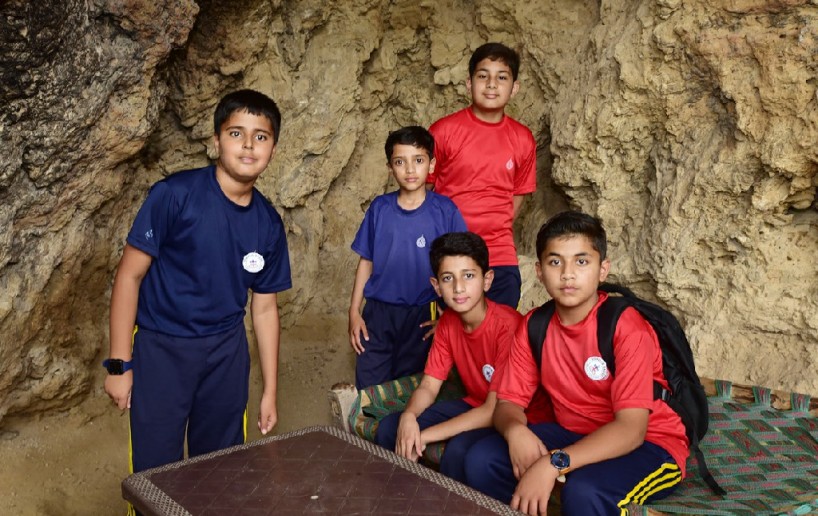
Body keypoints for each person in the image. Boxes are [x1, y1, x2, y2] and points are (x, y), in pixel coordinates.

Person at [103, 89, 292, 474]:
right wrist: (119, 365)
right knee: (156, 472)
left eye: (260, 136)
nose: (248, 145)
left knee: (222, 469)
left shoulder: (268, 223)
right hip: (163, 348)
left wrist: (270, 392)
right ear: (216, 140)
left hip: (226, 355)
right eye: (236, 133)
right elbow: (129, 275)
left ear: (273, 150)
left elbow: (264, 309)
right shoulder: (174, 196)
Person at [463, 211, 688, 515]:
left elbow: (631, 430)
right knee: (482, 459)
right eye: (555, 262)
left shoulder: (625, 327)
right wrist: (515, 431)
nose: (567, 274)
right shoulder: (535, 326)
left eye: (581, 261)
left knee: (585, 491)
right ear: (539, 271)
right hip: (574, 432)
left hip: (650, 442)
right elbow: (508, 404)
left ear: (602, 270)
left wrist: (554, 463)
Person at [374, 231, 523, 484]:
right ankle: (403, 497)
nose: (458, 287)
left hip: (509, 414)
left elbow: (493, 410)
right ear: (436, 286)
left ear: (487, 280)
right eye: (448, 278)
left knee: (459, 452)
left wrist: (425, 435)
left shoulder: (508, 327)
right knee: (391, 428)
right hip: (474, 403)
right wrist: (409, 417)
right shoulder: (447, 324)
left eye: (468, 276)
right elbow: (429, 386)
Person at [348, 126, 467, 390]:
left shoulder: (445, 211)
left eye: (419, 160)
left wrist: (450, 318)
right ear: (390, 167)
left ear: (431, 164)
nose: (410, 170)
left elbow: (461, 266)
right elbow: (366, 261)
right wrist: (354, 311)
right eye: (400, 162)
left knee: (410, 389)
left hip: (422, 313)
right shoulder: (380, 208)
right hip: (378, 313)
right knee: (370, 389)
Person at [427, 42, 537, 309]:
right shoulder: (443, 131)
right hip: (450, 253)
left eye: (502, 77)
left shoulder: (523, 139)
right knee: (447, 329)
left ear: (514, 88)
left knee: (501, 328)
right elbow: (423, 192)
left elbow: (517, 195)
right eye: (483, 76)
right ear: (469, 83)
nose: (491, 84)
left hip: (499, 255)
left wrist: (493, 228)